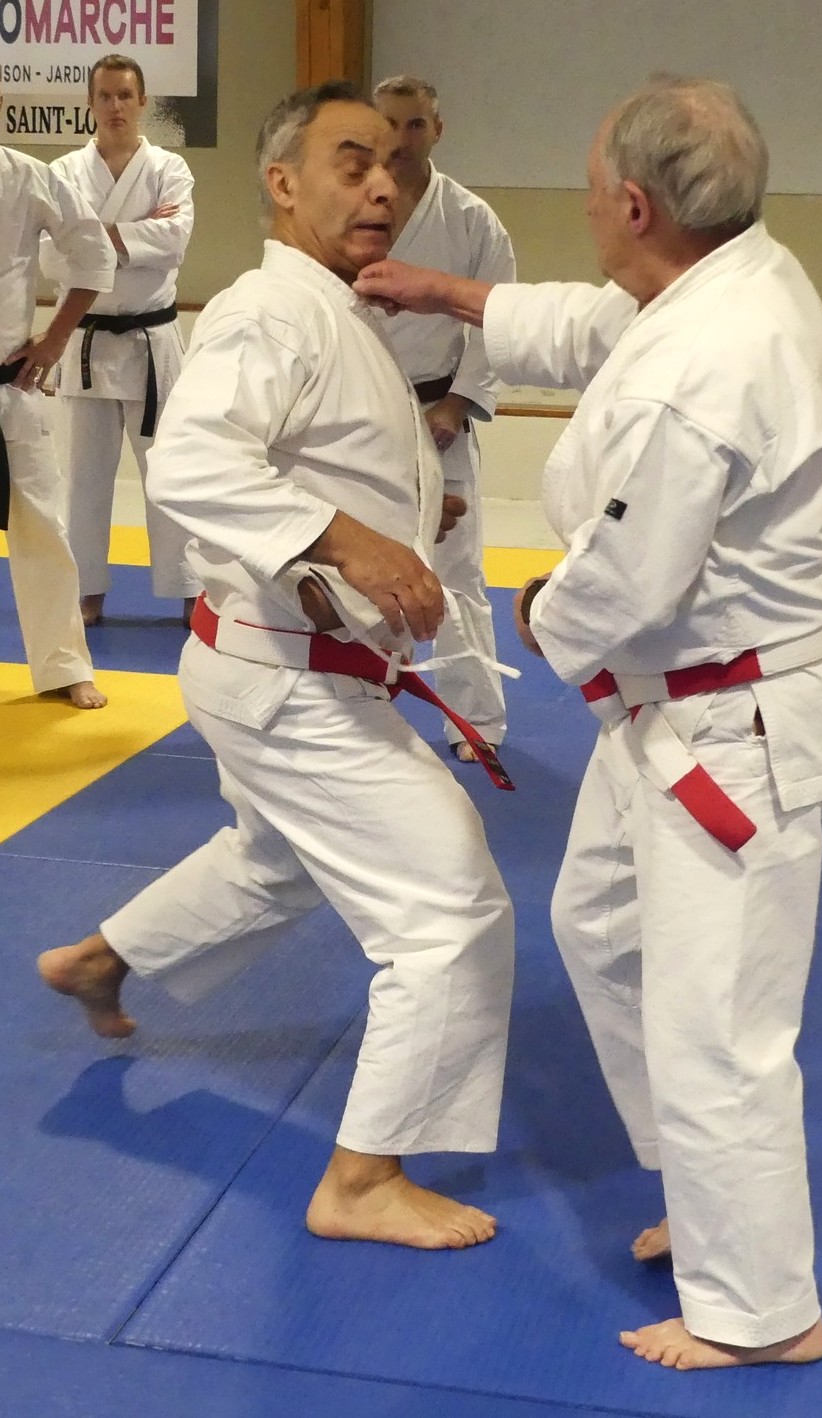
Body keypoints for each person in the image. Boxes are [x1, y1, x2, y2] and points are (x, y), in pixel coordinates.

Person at [361, 77, 822, 1369]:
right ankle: (709, 1188)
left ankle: (763, 1311)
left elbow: (629, 581)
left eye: (591, 191)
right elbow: (602, 324)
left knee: (720, 1028)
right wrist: (449, 293)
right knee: (601, 927)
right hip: (681, 709)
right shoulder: (734, 274)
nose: (585, 210)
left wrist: (535, 609)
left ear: (634, 206)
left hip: (729, 724)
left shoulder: (700, 370)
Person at [38, 82, 514, 1251]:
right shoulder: (268, 309)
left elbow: (306, 454)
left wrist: (405, 507)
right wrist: (352, 539)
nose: (383, 185)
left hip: (273, 659)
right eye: (352, 162)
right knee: (450, 905)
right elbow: (193, 463)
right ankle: (361, 1177)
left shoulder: (330, 307)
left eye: (392, 164)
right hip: (286, 678)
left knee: (275, 860)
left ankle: (99, 959)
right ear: (282, 182)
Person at [371, 75, 516, 762]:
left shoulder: (471, 219)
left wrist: (458, 402)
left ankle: (476, 721)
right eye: (388, 125)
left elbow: (498, 319)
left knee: (458, 574)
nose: (400, 140)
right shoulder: (351, 207)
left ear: (437, 129)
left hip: (438, 411)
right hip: (360, 413)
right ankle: (360, 705)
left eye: (414, 125)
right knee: (359, 565)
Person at [41, 53, 200, 628]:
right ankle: (87, 591)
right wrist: (135, 235)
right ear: (90, 102)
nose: (115, 106)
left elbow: (174, 240)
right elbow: (50, 255)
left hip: (152, 342)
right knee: (83, 477)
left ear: (142, 101)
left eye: (125, 95)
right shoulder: (63, 172)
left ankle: (189, 590)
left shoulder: (169, 168)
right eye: (105, 96)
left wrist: (92, 238)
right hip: (85, 341)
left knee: (170, 471)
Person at [0, 122, 116, 710]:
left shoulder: (25, 177)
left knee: (44, 528)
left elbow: (94, 254)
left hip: (10, 385)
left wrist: (55, 339)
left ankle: (65, 665)